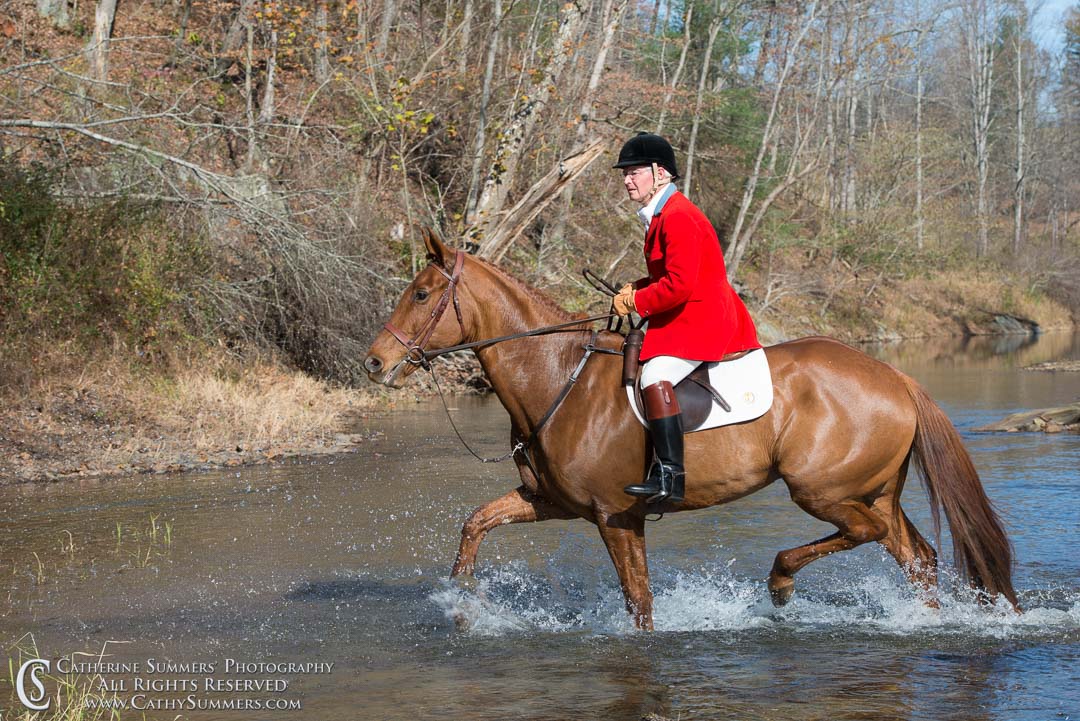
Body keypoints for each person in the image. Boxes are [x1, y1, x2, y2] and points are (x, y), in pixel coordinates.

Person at [610, 132, 760, 504]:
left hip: (703, 318)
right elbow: (671, 273)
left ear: (660, 173)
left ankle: (670, 477)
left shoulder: (677, 217)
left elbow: (679, 284)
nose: (627, 180)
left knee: (655, 375)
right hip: (686, 312)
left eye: (634, 172)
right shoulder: (662, 215)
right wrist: (638, 286)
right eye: (625, 173)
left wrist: (636, 302)